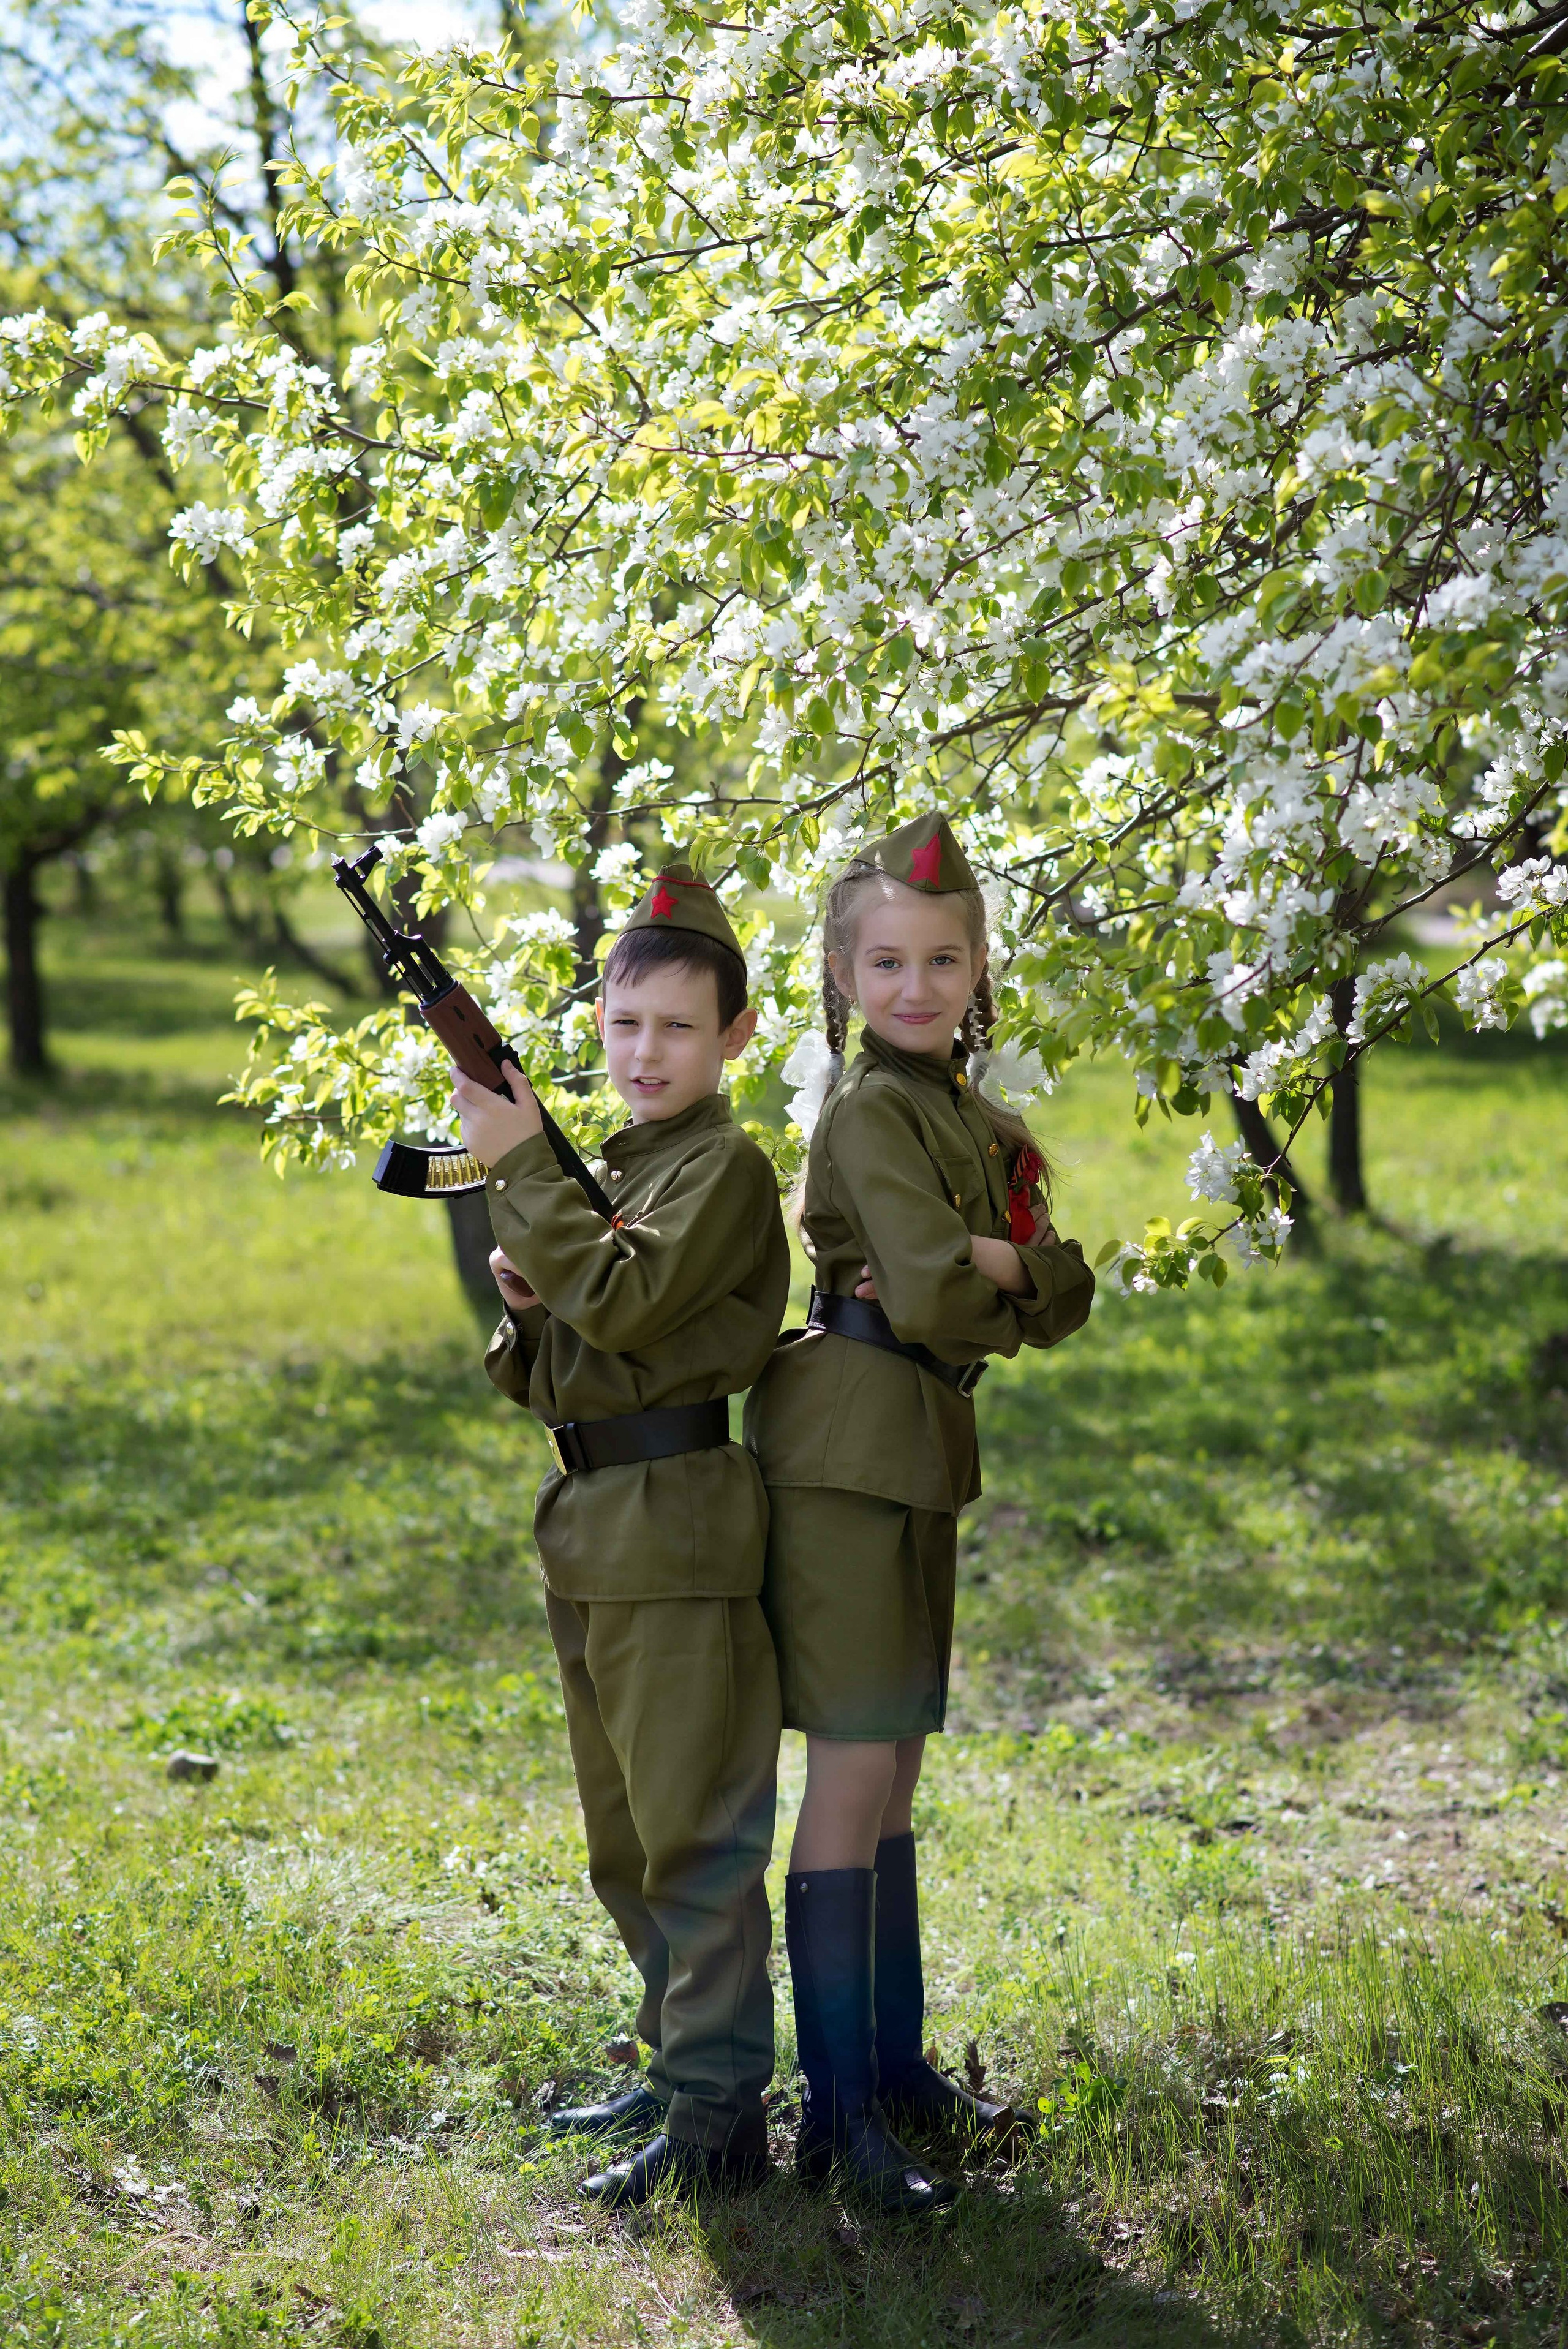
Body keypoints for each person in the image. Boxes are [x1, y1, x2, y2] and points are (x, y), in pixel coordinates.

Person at [745, 812, 1096, 2215]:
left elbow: (1053, 1285)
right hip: (845, 1453)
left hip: (916, 1438)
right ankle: (838, 2120)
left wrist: (995, 1262)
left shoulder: (961, 1108)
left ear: (976, 969)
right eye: (885, 961)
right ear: (841, 974)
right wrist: (1000, 1272)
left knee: (892, 1774)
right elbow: (951, 1295)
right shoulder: (869, 1110)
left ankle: (891, 2076)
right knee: (849, 1775)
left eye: (941, 960)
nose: (915, 985)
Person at [453, 864, 790, 2209]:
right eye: (625, 1025)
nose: (646, 1053)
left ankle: (718, 2119)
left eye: (678, 1028)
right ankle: (672, 2064)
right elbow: (561, 1362)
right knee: (625, 1840)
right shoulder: (630, 1163)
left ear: (733, 1038)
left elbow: (632, 1309)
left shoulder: (723, 1167)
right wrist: (531, 1309)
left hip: (676, 1529)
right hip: (595, 1526)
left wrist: (521, 1166)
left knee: (694, 1836)